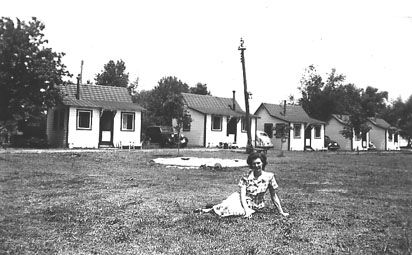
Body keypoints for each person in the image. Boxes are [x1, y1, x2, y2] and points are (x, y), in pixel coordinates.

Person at [196, 152, 289, 218]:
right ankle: (208, 210)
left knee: (234, 212)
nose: (256, 166)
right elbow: (242, 194)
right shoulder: (246, 176)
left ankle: (210, 209)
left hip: (256, 205)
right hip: (241, 199)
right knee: (228, 207)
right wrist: (246, 209)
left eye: (258, 163)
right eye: (254, 164)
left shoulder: (269, 176)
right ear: (251, 165)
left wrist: (281, 212)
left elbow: (274, 196)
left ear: (263, 163)